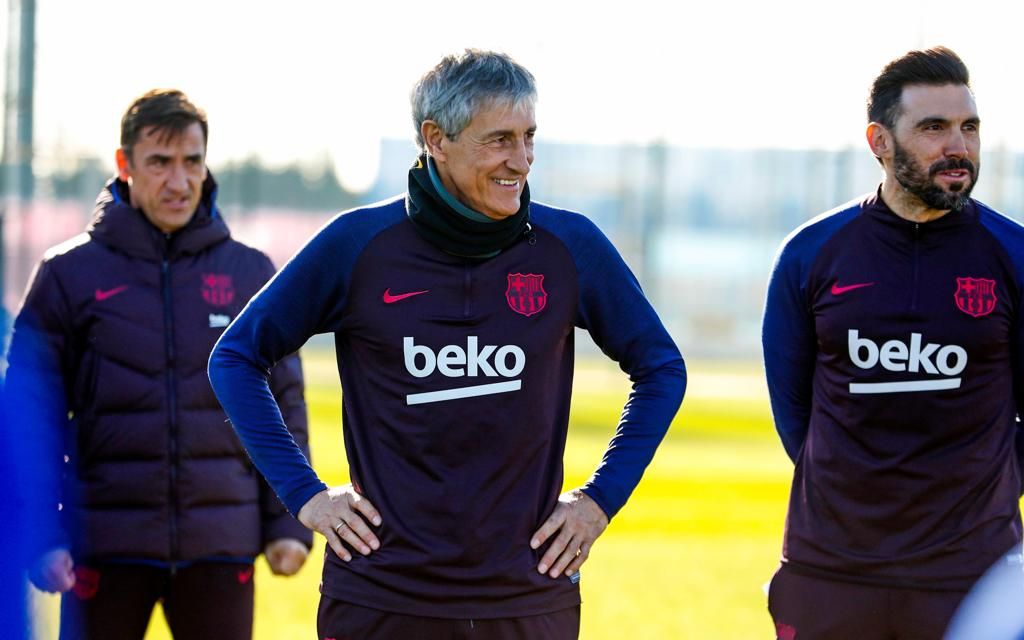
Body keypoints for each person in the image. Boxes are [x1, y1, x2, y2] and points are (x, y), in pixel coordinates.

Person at [209, 49, 685, 639]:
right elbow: (234, 358)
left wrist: (599, 499)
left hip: (527, 594)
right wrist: (304, 494)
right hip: (382, 594)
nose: (522, 159)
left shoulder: (569, 247)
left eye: (529, 136)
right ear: (436, 139)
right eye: (500, 139)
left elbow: (662, 368)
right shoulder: (358, 246)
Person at [5, 89, 312, 639]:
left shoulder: (249, 273)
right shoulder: (67, 276)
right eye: (159, 162)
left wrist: (286, 521)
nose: (179, 181)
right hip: (102, 546)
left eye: (191, 161)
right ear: (124, 166)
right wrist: (44, 534)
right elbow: (30, 415)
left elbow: (283, 401)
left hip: (220, 546)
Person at [762, 46, 1024, 640]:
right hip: (831, 567)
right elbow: (795, 417)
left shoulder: (1013, 256)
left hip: (973, 574)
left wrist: (987, 492)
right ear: (879, 141)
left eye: (969, 128)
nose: (958, 146)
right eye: (933, 128)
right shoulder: (811, 255)